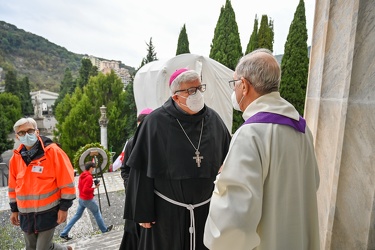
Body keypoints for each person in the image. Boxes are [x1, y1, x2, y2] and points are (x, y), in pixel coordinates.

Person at [203, 48, 320, 250]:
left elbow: (235, 215)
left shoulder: (251, 133)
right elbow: (313, 181)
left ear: (245, 86)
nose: (235, 91)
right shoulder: (301, 128)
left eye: (234, 83)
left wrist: (222, 181)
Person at [124, 68, 231, 250]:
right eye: (190, 90)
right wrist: (143, 212)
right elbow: (141, 169)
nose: (196, 94)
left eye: (199, 88)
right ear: (175, 96)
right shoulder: (154, 122)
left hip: (206, 211)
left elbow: (229, 162)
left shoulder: (214, 120)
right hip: (166, 214)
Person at [8, 117, 76, 250]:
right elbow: (12, 187)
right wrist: (14, 210)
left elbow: (67, 180)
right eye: (22, 133)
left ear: (37, 132)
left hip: (48, 212)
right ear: (17, 137)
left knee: (43, 248)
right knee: (31, 248)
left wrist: (64, 208)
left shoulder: (53, 152)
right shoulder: (15, 159)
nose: (26, 135)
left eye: (30, 130)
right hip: (25, 214)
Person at [119, 107, 153, 249]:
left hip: (152, 195)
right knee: (133, 232)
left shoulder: (157, 142)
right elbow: (125, 169)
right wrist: (130, 187)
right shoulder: (132, 143)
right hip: (134, 195)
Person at [60, 161, 113, 240]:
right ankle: (104, 230)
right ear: (91, 168)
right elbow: (86, 189)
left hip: (81, 199)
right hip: (88, 199)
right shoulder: (89, 177)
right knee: (97, 213)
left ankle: (64, 233)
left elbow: (80, 187)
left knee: (76, 216)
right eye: (93, 168)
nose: (93, 170)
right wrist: (95, 188)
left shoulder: (82, 175)